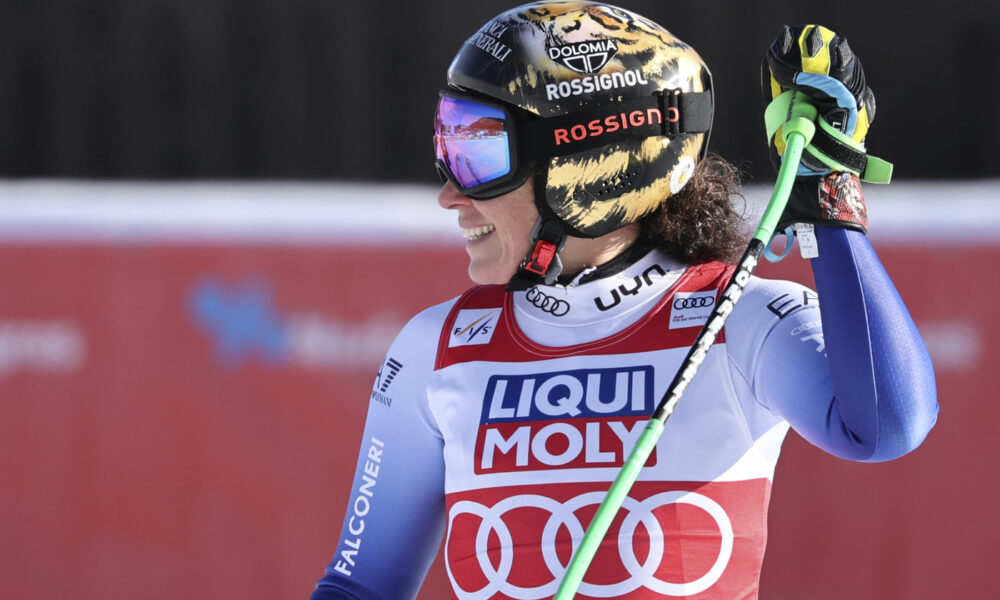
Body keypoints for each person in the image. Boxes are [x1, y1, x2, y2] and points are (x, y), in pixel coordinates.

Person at [310, 2, 938, 599]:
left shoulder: (738, 320)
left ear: (587, 163)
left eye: (477, 155)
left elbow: (886, 427)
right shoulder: (437, 345)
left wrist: (829, 201)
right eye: (448, 145)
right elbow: (358, 586)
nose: (450, 194)